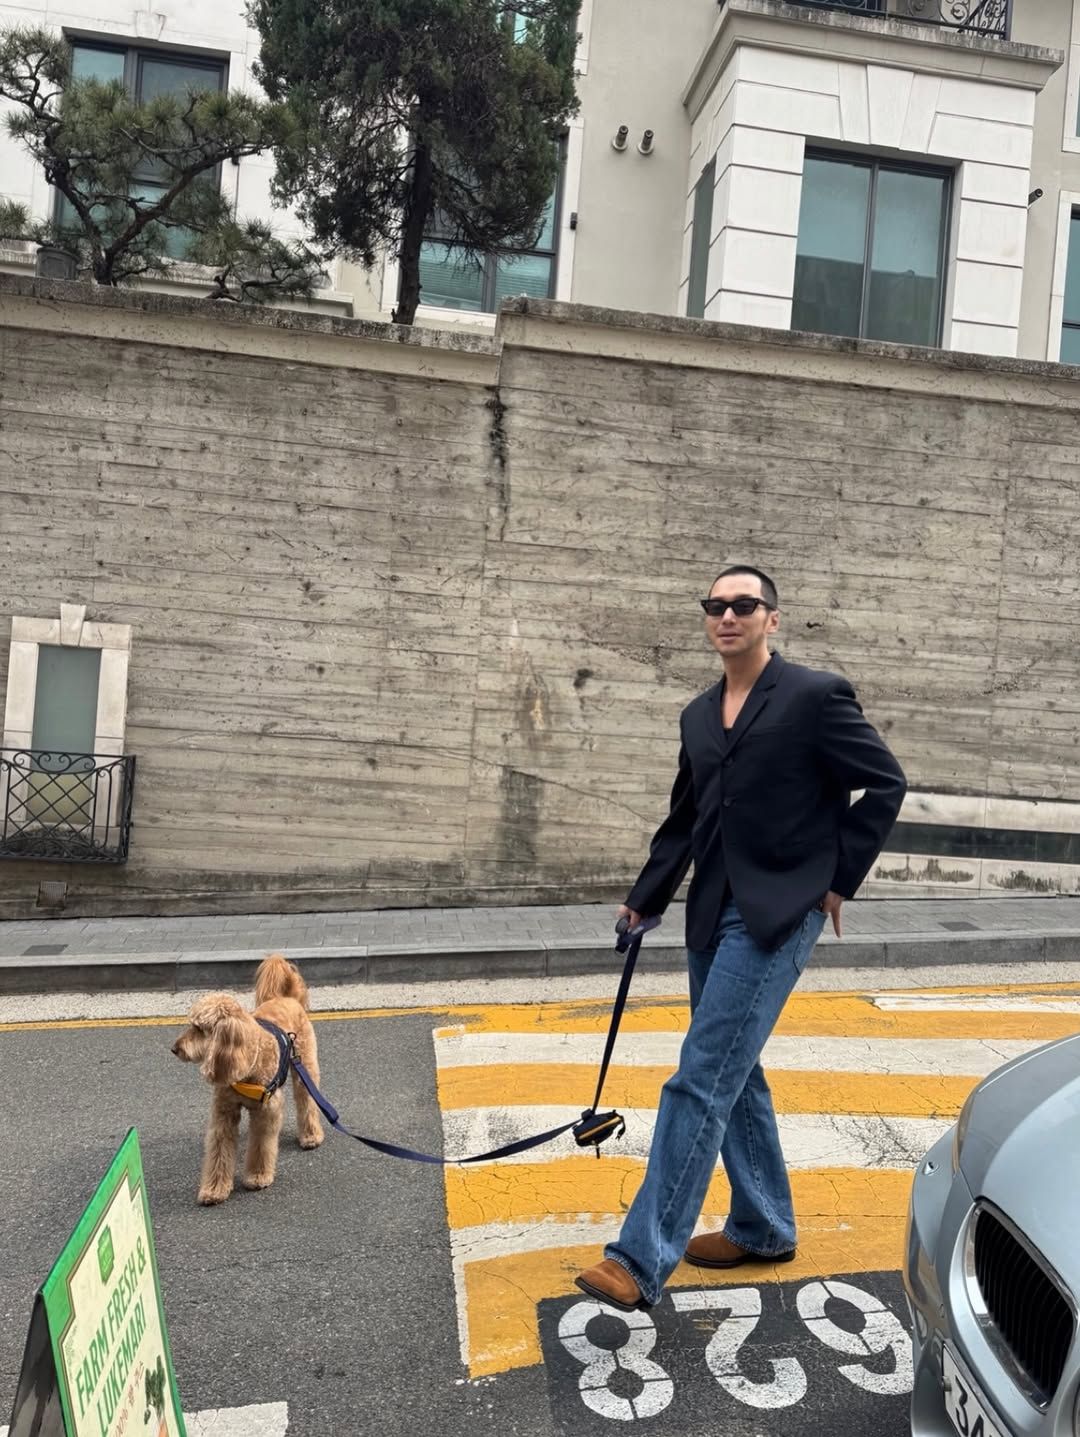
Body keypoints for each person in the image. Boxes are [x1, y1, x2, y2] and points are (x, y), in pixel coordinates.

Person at [575, 564, 907, 1312]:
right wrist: (646, 897)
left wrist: (837, 879)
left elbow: (885, 782)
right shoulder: (697, 715)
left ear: (771, 619)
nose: (728, 616)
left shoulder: (815, 696)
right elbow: (686, 818)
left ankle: (639, 1257)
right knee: (735, 1069)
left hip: (779, 912)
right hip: (712, 909)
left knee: (700, 1076)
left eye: (744, 605)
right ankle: (763, 1225)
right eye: (716, 605)